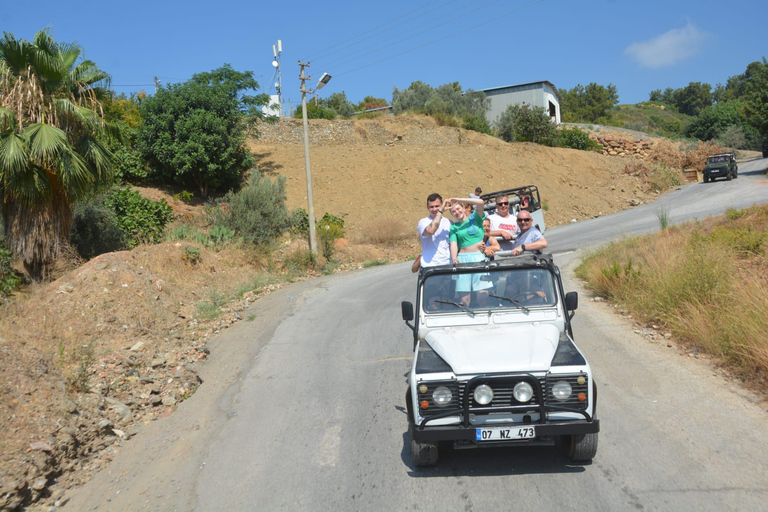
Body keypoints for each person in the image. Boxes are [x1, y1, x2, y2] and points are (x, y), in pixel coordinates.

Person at [448, 197, 491, 306]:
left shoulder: (475, 218)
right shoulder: (454, 227)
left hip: (479, 258)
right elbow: (454, 244)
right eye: (453, 211)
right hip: (463, 260)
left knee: (483, 296)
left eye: (458, 209)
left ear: (463, 207)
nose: (457, 212)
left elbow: (480, 202)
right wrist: (454, 259)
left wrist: (457, 199)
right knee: (464, 300)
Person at [417, 193, 452, 268]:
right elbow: (430, 231)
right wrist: (440, 212)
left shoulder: (449, 222)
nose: (434, 209)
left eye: (437, 206)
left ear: (442, 205)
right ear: (427, 207)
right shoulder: (423, 222)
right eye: (431, 207)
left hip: (447, 264)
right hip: (429, 266)